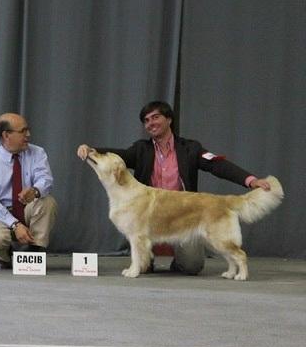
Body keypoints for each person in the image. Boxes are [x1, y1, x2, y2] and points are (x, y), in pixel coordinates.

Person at [77, 101, 270, 275]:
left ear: (169, 119)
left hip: (186, 215)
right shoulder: (141, 149)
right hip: (151, 214)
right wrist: (91, 150)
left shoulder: (190, 148)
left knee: (191, 266)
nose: (150, 123)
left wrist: (250, 180)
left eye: (155, 117)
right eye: (146, 120)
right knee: (141, 246)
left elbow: (217, 165)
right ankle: (145, 262)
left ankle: (181, 261)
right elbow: (117, 157)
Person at [0, 113, 57, 269]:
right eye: (23, 131)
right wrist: (14, 224)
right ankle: (4, 256)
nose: (28, 135)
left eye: (28, 130)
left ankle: (33, 253)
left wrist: (35, 190)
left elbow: (46, 180)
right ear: (6, 135)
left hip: (28, 209)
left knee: (47, 202)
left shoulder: (38, 153)